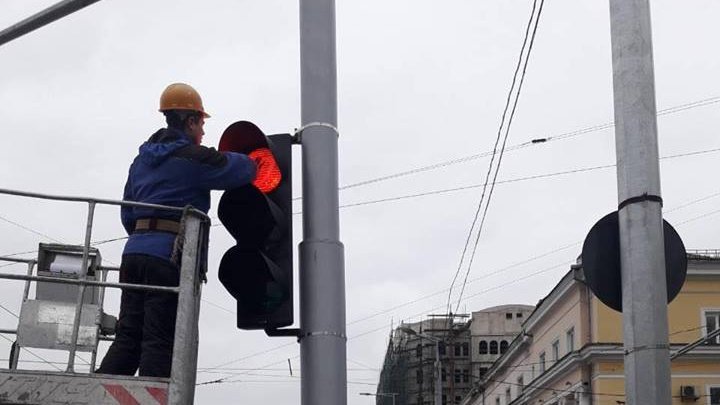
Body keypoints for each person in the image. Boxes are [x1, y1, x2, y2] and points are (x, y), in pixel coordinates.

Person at [96, 83, 257, 377]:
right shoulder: (193, 158)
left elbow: (128, 212)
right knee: (160, 341)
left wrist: (147, 235)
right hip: (168, 257)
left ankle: (94, 397)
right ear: (190, 121)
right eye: (202, 124)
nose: (204, 133)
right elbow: (239, 169)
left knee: (128, 337)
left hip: (133, 255)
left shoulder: (141, 161)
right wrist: (258, 158)